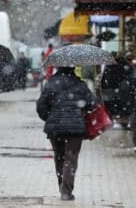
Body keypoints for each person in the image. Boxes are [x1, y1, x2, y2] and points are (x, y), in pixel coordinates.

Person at [36, 67, 95, 201]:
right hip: (75, 127)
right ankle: (66, 191)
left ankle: (61, 185)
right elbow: (91, 104)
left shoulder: (51, 83)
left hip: (55, 127)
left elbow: (41, 106)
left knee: (59, 156)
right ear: (73, 68)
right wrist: (80, 110)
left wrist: (50, 117)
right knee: (71, 157)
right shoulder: (80, 84)